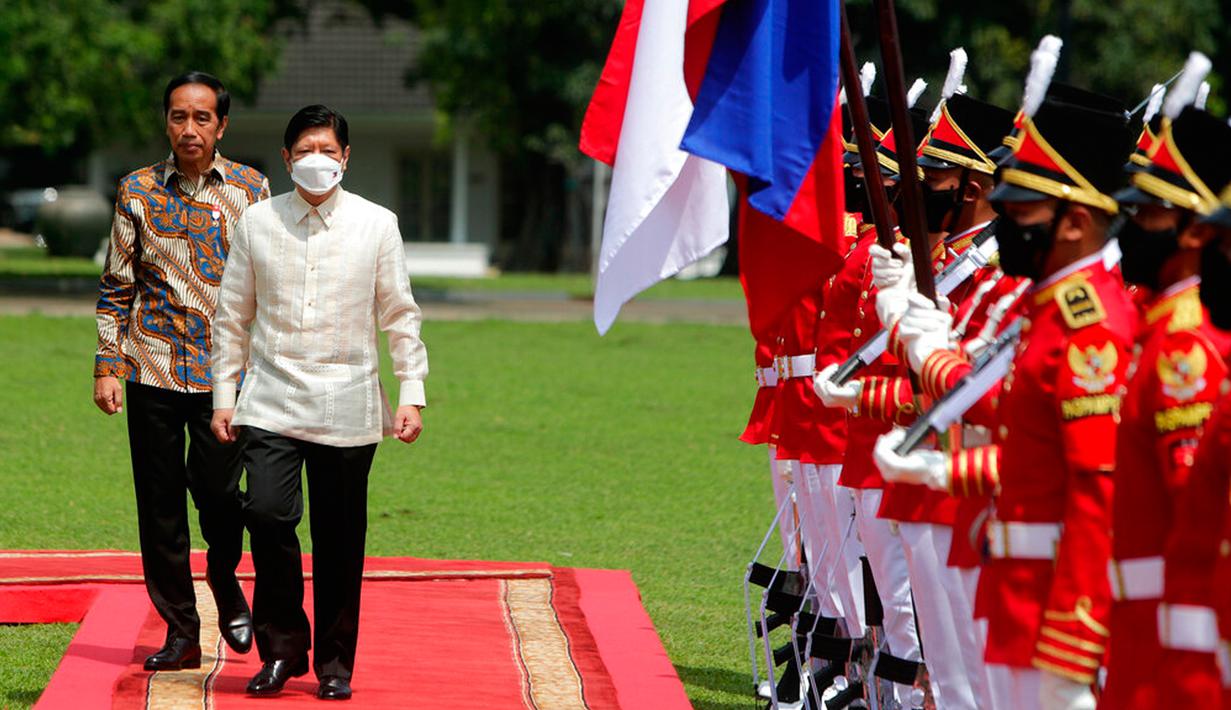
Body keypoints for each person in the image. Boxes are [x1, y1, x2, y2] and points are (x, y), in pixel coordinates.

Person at [874, 88, 1136, 710]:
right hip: (1010, 563)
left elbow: (1092, 485)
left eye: (1023, 209)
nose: (1004, 219)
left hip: (1053, 589)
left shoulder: (1088, 325)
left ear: (1074, 222)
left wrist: (1076, 632)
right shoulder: (1049, 306)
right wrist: (944, 468)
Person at [210, 104, 428, 700]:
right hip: (270, 397)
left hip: (348, 401)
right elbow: (232, 317)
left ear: (346, 158)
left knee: (339, 539)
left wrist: (411, 392)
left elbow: (399, 314)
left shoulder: (377, 224)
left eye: (328, 150)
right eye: (305, 150)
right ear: (286, 158)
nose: (317, 160)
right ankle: (282, 648)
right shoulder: (257, 222)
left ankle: (335, 664)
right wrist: (224, 395)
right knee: (266, 514)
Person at [94, 71, 269, 670]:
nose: (189, 128)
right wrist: (108, 365)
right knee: (160, 505)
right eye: (178, 116)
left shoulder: (251, 189)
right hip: (152, 368)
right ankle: (181, 631)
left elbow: (267, 283)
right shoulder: (137, 190)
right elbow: (117, 285)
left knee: (220, 494)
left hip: (227, 377)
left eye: (201, 117)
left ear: (222, 126)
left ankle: (224, 577)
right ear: (166, 123)